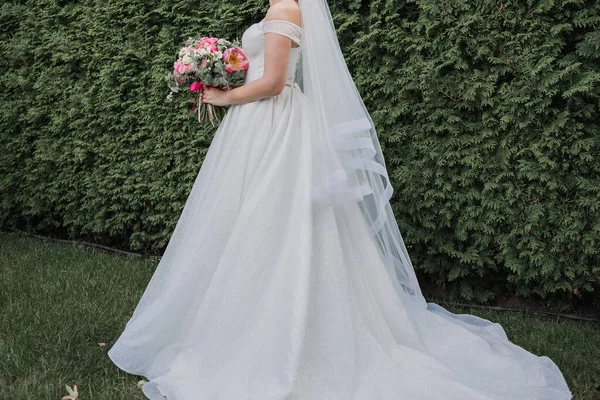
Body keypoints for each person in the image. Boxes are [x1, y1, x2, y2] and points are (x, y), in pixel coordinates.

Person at [108, 0, 573, 399]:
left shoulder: (286, 7)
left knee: (271, 220)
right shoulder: (276, 7)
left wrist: (222, 97)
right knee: (243, 220)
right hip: (258, 125)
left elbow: (273, 83)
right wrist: (222, 75)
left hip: (273, 124)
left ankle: (278, 331)